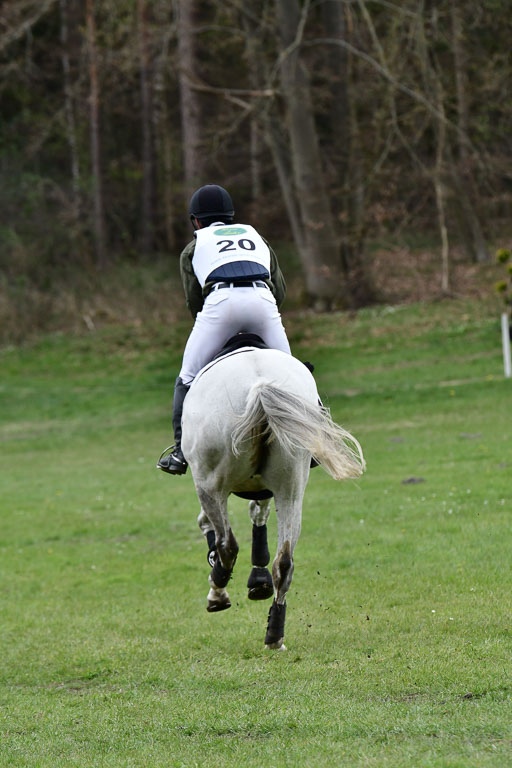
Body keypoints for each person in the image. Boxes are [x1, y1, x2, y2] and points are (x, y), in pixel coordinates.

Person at [157, 184, 291, 475]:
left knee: (187, 375)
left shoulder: (194, 246)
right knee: (294, 373)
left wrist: (213, 326)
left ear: (196, 221)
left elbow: (194, 300)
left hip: (221, 303)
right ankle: (316, 438)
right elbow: (279, 290)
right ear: (231, 217)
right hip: (262, 301)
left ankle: (180, 452)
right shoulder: (257, 237)